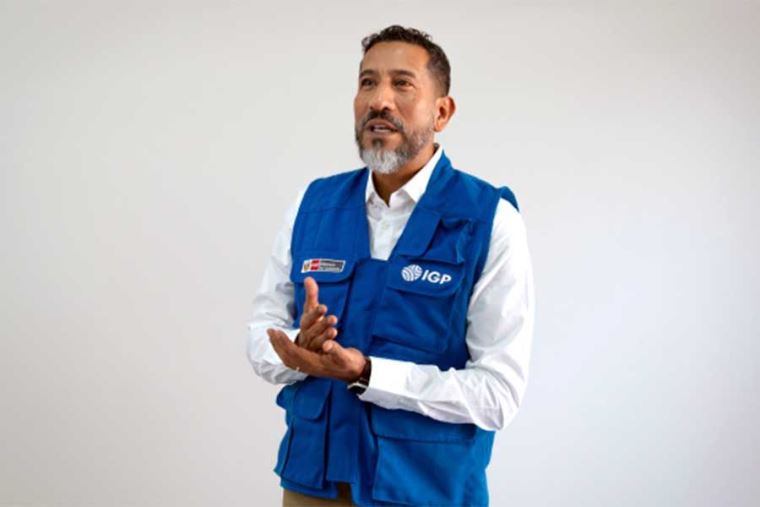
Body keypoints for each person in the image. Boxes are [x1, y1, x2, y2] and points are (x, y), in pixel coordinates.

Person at [247, 25, 535, 507]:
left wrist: (367, 374)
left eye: (402, 84)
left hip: (425, 491)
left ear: (442, 112)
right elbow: (262, 334)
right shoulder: (312, 206)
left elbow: (498, 393)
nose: (379, 100)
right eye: (367, 83)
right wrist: (298, 351)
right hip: (311, 486)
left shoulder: (490, 220)